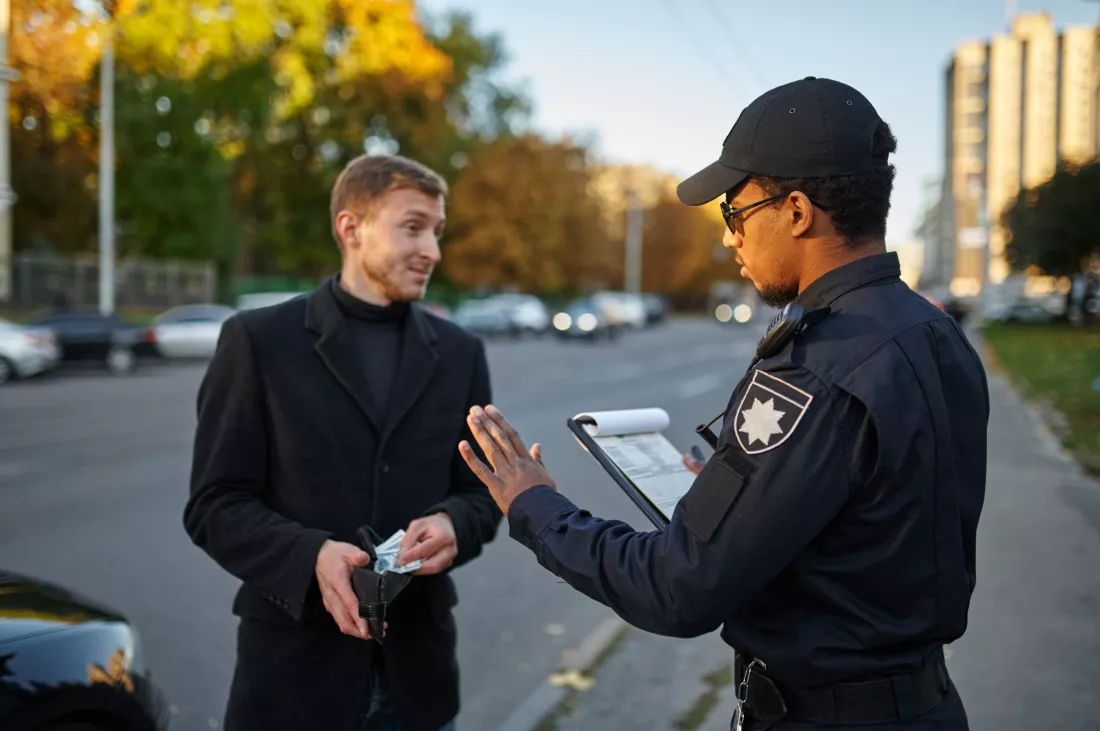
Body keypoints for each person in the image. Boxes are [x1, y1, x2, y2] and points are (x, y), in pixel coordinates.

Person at [457, 77, 988, 731]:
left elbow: (678, 587)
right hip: (924, 702)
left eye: (736, 213)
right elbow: (874, 521)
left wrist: (535, 505)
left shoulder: (814, 367)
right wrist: (745, 498)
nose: (730, 238)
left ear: (797, 211)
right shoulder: (933, 333)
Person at [184, 154, 501, 731]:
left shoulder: (460, 354)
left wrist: (457, 523)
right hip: (291, 680)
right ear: (350, 228)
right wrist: (310, 556)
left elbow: (479, 496)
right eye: (413, 226)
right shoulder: (258, 341)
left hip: (418, 681)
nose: (432, 249)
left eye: (436, 230)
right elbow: (214, 504)